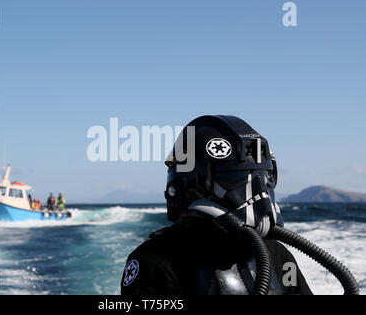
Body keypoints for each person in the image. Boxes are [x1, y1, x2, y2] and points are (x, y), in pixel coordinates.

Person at [121, 115, 359, 296]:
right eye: (237, 178)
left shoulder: (275, 252)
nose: (258, 193)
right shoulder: (155, 262)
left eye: (260, 179)